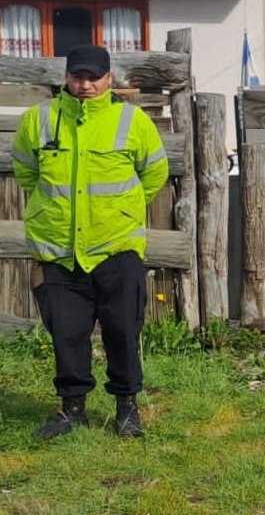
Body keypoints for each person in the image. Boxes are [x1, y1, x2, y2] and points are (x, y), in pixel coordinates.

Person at [12, 44, 169, 439]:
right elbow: (26, 171)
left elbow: (154, 174)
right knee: (66, 334)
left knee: (123, 331)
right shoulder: (39, 119)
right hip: (59, 248)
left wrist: (122, 211)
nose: (85, 85)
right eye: (78, 77)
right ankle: (72, 411)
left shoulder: (132, 120)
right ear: (66, 77)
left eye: (93, 78)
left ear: (109, 78)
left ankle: (127, 409)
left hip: (116, 246)